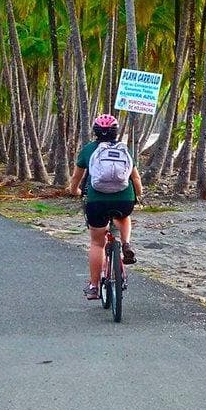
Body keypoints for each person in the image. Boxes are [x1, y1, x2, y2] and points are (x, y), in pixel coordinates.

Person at [67, 113, 144, 300]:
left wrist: (74, 190)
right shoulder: (124, 149)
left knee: (97, 243)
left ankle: (94, 287)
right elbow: (135, 178)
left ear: (95, 132)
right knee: (124, 216)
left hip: (97, 201)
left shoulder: (88, 150)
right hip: (124, 200)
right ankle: (125, 243)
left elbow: (77, 178)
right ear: (115, 132)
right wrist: (138, 194)